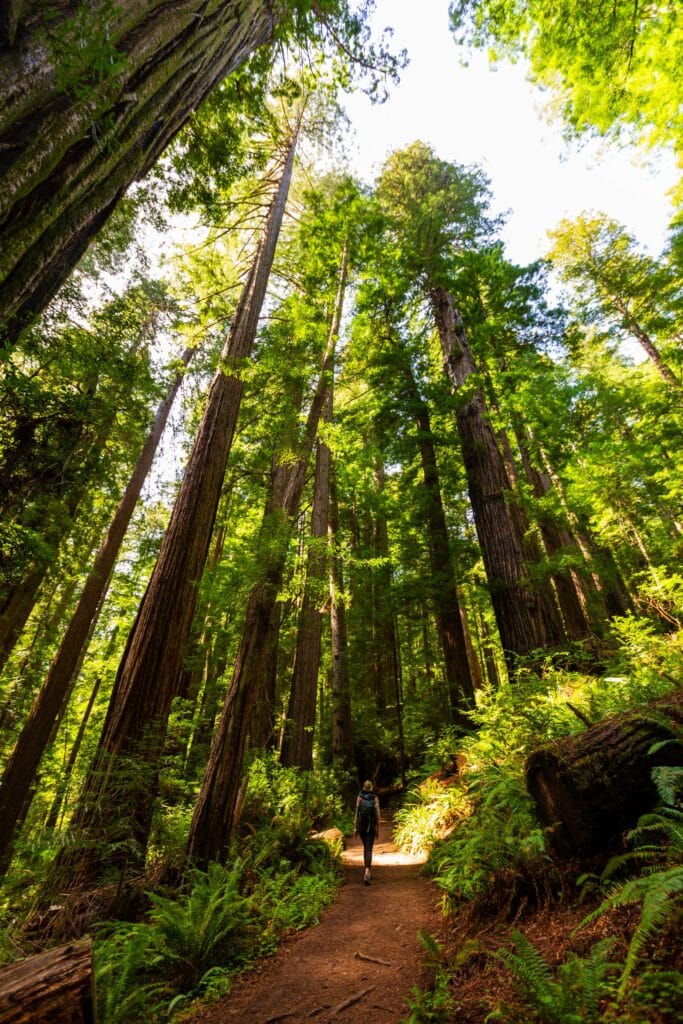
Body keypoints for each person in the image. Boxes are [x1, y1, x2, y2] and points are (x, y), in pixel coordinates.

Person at [354, 779, 381, 884]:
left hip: (361, 826)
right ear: (371, 788)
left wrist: (355, 827)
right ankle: (367, 871)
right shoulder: (375, 798)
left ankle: (366, 870)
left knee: (366, 847)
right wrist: (378, 829)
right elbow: (378, 815)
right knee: (369, 848)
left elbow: (356, 813)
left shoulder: (359, 797)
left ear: (363, 787)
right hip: (371, 827)